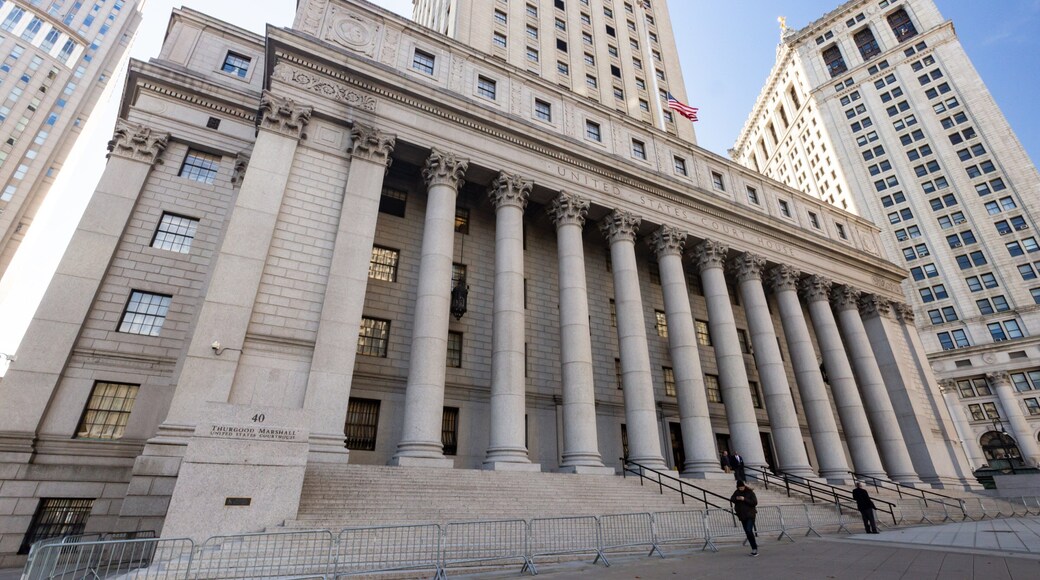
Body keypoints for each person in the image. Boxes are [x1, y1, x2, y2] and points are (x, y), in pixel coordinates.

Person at [730, 480, 759, 556]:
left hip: (750, 515)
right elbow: (732, 499)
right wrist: (737, 498)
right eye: (739, 487)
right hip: (742, 516)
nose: (741, 488)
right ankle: (753, 548)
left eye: (742, 487)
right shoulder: (736, 492)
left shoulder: (750, 492)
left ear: (744, 486)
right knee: (747, 532)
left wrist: (744, 499)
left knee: (749, 530)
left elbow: (754, 502)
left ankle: (754, 548)